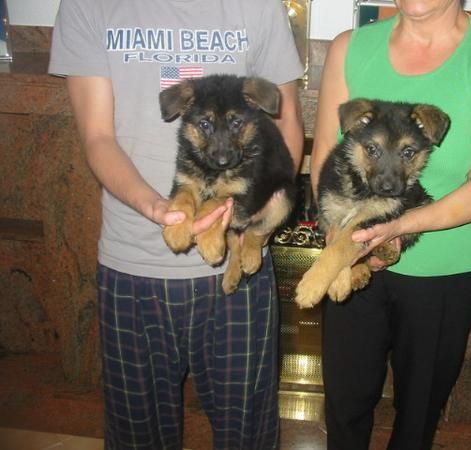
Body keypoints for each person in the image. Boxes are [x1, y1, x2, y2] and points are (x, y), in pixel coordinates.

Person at [48, 0, 304, 449]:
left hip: (238, 271)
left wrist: (249, 224)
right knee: (137, 436)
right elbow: (98, 137)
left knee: (247, 436)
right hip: (133, 263)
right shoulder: (87, 6)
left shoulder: (258, 7)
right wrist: (157, 207)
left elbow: (286, 127)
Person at [310, 1, 471, 449]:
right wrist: (343, 240)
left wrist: (393, 228)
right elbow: (325, 159)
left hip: (444, 270)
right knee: (344, 403)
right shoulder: (350, 48)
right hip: (351, 252)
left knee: (418, 413)